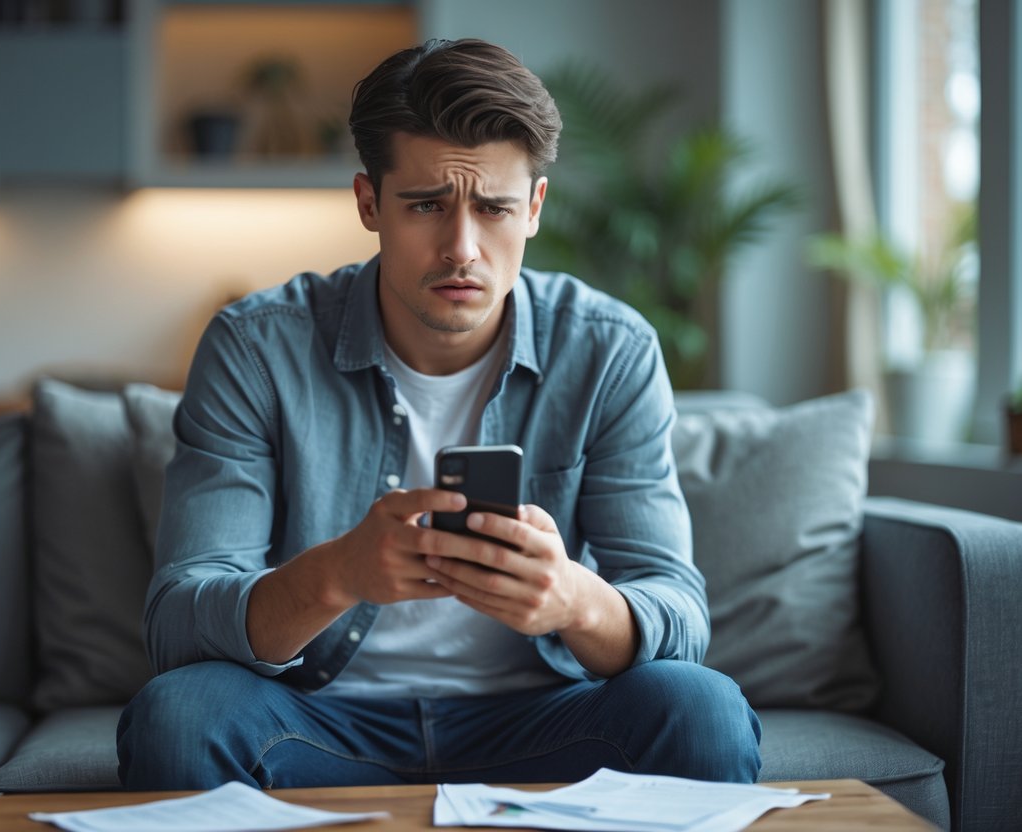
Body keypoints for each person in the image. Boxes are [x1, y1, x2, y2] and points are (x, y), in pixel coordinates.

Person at [117, 37, 760, 790]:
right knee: (178, 713)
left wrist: (572, 599)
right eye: (426, 205)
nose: (461, 248)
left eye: (493, 209)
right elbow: (179, 620)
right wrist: (338, 573)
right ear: (368, 203)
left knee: (701, 709)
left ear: (534, 209)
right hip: (314, 716)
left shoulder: (609, 350)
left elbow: (675, 608)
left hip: (544, 715)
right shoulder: (256, 346)